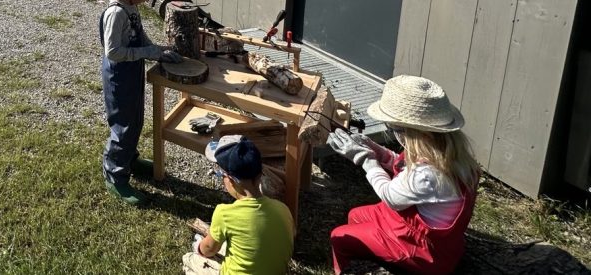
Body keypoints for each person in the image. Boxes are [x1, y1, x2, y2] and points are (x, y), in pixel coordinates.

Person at [328, 75, 480, 275]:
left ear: (421, 135)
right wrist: (379, 151)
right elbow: (402, 164)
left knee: (339, 236)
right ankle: (377, 261)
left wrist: (365, 159)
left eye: (394, 129)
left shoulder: (429, 175)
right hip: (413, 227)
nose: (392, 133)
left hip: (423, 249)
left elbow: (390, 196)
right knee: (356, 216)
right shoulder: (443, 153)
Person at [100, 0, 183, 205]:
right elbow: (113, 52)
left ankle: (130, 159)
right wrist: (146, 53)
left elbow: (140, 34)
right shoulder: (116, 13)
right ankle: (115, 174)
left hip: (132, 71)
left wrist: (157, 49)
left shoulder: (131, 6)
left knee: (136, 119)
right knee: (122, 125)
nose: (147, 0)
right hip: (118, 76)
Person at [182, 135, 295, 275]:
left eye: (220, 174)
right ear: (260, 173)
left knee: (190, 258)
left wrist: (199, 247)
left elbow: (208, 250)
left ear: (230, 180)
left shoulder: (225, 214)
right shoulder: (283, 209)